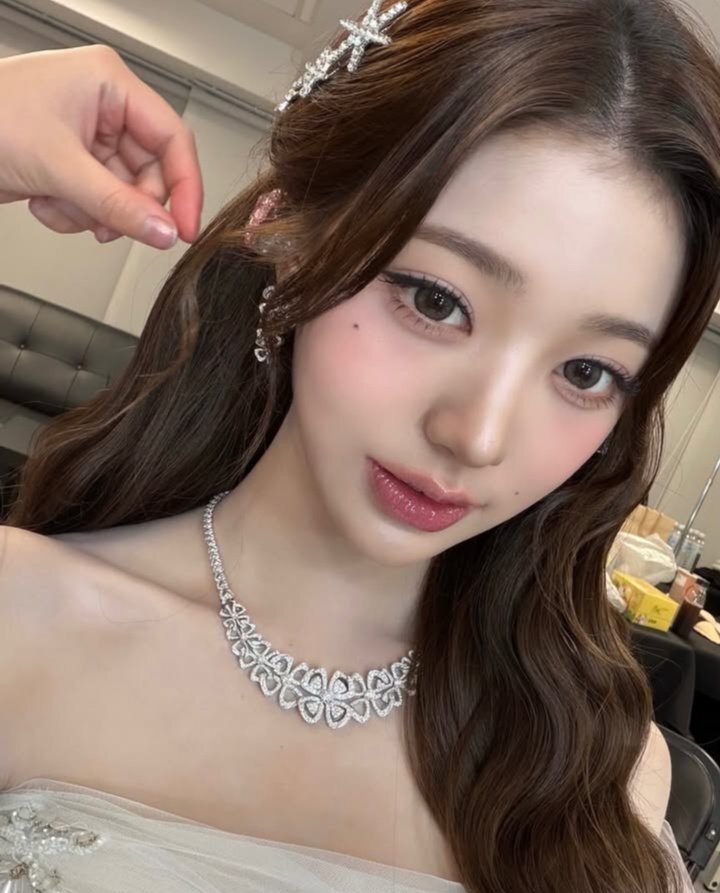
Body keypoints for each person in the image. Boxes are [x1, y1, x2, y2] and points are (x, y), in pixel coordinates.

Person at [0, 0, 713, 889]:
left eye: (585, 371)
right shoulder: (20, 617)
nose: (477, 435)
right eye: (436, 300)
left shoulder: (601, 769)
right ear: (289, 236)